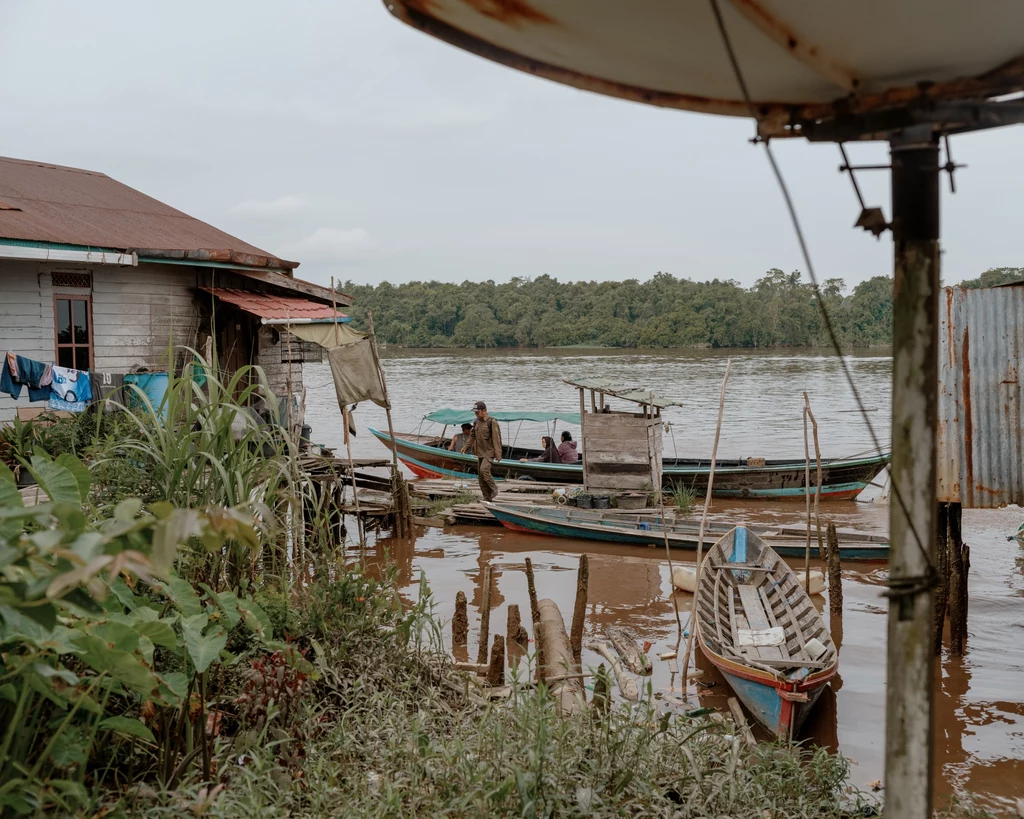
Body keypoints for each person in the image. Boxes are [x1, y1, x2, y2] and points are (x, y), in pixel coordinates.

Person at [464, 401, 502, 501]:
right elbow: (472, 436)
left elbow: (496, 438)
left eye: (477, 412)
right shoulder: (476, 422)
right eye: (475, 412)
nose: (476, 414)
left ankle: (494, 488)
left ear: (484, 411)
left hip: (489, 452)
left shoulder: (491, 422)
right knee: (481, 478)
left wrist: (498, 454)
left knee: (484, 470)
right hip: (480, 453)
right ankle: (487, 498)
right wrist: (466, 447)